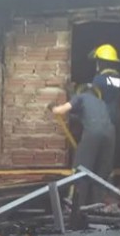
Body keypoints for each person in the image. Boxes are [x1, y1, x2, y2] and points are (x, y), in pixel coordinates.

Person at [48, 87, 115, 226]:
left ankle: (74, 207)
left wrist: (53, 107)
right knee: (100, 175)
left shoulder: (81, 97)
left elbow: (60, 110)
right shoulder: (101, 104)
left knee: (80, 171)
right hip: (110, 136)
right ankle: (97, 209)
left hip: (93, 134)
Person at [89, 43, 120, 137]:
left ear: (100, 63)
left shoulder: (98, 80)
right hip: (116, 119)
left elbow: (92, 103)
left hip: (101, 121)